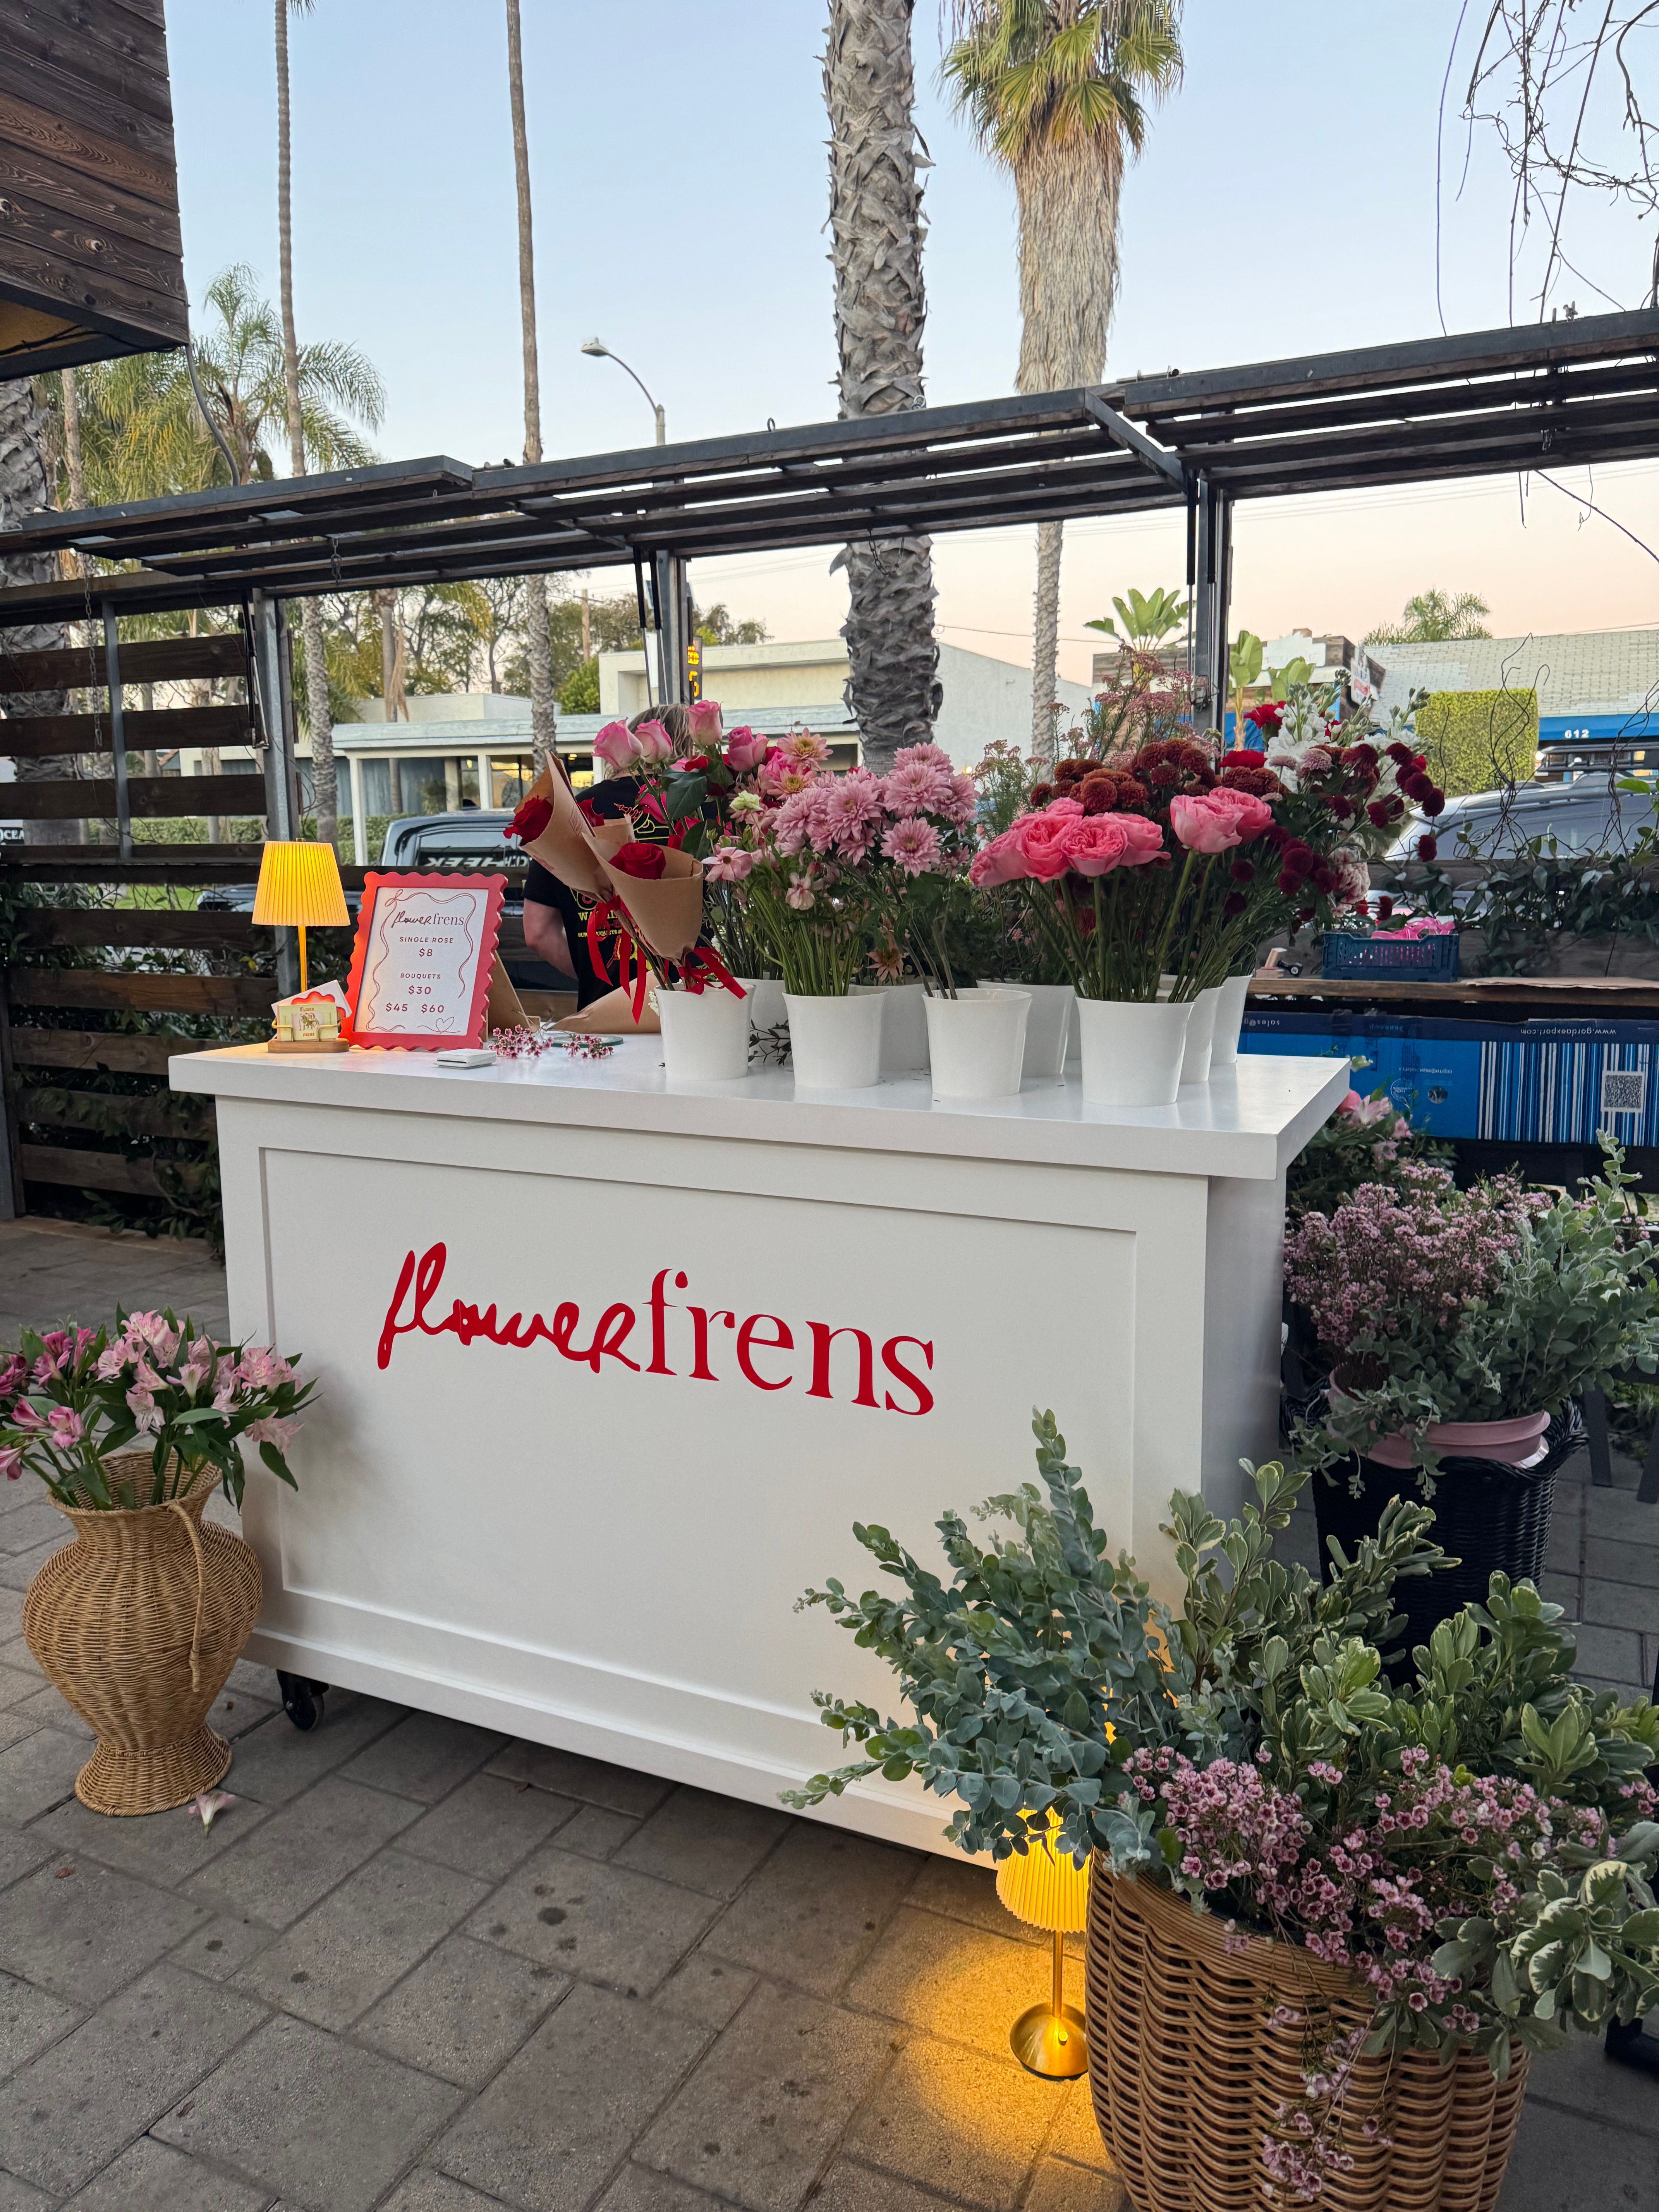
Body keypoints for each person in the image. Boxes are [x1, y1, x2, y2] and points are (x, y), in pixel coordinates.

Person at [520, 702, 695, 1007]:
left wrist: (594, 976)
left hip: (603, 1011)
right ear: (687, 749)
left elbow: (537, 933)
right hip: (698, 1004)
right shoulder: (703, 808)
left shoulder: (571, 814)